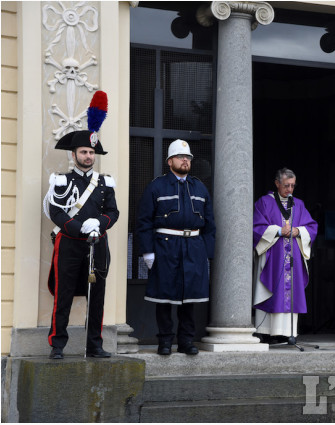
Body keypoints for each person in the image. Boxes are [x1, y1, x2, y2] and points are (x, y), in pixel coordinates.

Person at [43, 90, 118, 359]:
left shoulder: (105, 182)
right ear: (73, 154)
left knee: (97, 296)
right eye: (84, 152)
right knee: (63, 296)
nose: (88, 156)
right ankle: (57, 345)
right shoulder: (62, 181)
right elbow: (56, 211)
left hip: (97, 243)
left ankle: (94, 345)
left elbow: (113, 211)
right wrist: (77, 227)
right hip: (70, 245)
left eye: (91, 152)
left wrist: (98, 223)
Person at [135, 139, 216, 355]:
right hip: (165, 247)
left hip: (194, 247)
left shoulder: (199, 187)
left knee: (189, 299)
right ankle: (164, 342)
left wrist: (207, 253)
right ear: (170, 161)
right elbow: (143, 222)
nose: (185, 161)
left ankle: (186, 342)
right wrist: (147, 251)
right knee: (165, 298)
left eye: (188, 157)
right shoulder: (157, 186)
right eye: (181, 157)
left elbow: (210, 224)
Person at [253, 168, 318, 342]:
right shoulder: (264, 203)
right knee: (272, 290)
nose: (289, 189)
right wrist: (278, 231)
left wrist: (298, 230)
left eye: (292, 186)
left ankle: (286, 333)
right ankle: (266, 332)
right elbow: (256, 228)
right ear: (276, 184)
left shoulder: (299, 204)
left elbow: (311, 227)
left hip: (292, 258)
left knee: (290, 293)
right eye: (286, 185)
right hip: (272, 258)